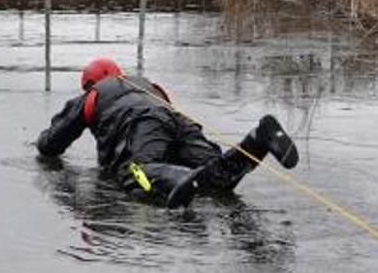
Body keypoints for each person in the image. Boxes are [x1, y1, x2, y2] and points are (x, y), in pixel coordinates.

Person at [36, 57, 299, 207]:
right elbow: (165, 120)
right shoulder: (147, 85)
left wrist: (40, 143)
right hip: (177, 121)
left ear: (89, 84)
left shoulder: (92, 95)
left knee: (135, 172)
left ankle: (181, 177)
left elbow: (52, 143)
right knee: (216, 172)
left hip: (140, 123)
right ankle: (257, 140)